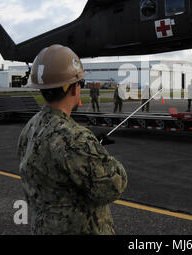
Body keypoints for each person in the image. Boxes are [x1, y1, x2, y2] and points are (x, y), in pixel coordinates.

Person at [17, 45, 127, 235]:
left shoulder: (30, 128)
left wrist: (90, 150)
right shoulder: (75, 138)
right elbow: (113, 186)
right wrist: (101, 156)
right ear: (75, 88)